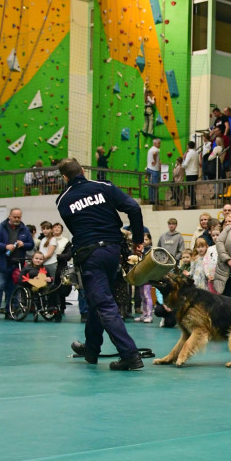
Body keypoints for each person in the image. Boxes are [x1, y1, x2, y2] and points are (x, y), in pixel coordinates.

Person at [56, 158, 145, 371]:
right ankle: (92, 349)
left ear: (65, 177)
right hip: (113, 251)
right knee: (99, 300)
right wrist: (138, 239)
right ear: (83, 171)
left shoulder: (63, 200)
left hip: (90, 255)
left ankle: (130, 355)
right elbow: (133, 208)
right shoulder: (104, 187)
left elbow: (77, 228)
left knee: (104, 303)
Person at [0, 209, 34, 321]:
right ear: (10, 216)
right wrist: (5, 246)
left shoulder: (25, 229)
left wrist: (24, 244)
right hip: (2, 264)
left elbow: (31, 244)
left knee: (13, 289)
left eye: (19, 217)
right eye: (15, 217)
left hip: (17, 265)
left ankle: (10, 311)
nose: (17, 219)